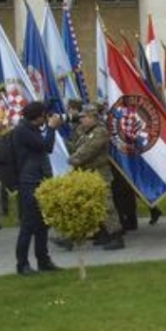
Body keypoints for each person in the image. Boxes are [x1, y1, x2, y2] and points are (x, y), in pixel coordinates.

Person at [12, 101, 63, 275]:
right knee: (28, 224)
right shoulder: (22, 130)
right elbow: (46, 147)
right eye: (44, 115)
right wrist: (52, 128)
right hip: (29, 181)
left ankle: (43, 260)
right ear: (38, 116)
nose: (46, 118)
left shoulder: (31, 129)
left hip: (39, 179)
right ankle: (22, 264)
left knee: (42, 223)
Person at [67, 102, 125, 250]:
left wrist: (73, 160)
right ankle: (96, 234)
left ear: (93, 117)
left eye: (84, 117)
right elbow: (75, 147)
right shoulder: (86, 132)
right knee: (88, 205)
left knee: (107, 206)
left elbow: (88, 150)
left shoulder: (100, 132)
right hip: (88, 173)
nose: (81, 120)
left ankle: (116, 236)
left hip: (100, 173)